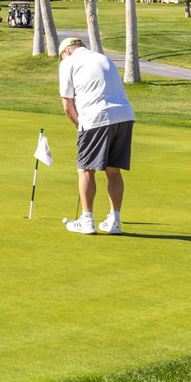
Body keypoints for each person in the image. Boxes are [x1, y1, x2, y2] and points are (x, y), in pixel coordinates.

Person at [57, 35, 134, 234]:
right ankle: (115, 221)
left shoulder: (68, 62)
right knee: (113, 171)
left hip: (95, 118)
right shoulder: (103, 58)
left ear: (66, 51)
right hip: (124, 116)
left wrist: (79, 126)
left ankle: (87, 220)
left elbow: (67, 104)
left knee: (85, 170)